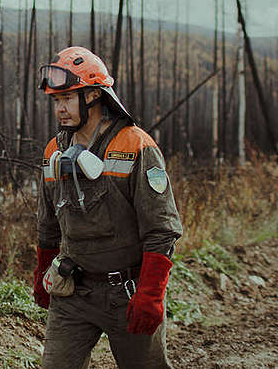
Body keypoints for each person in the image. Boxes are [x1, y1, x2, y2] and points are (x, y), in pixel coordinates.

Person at [32, 46, 182, 369]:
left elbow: (162, 228)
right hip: (72, 291)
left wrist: (151, 293)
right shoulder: (53, 152)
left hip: (128, 293)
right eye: (56, 101)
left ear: (93, 97)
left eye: (67, 99)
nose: (60, 109)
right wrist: (42, 271)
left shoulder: (135, 146)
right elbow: (48, 226)